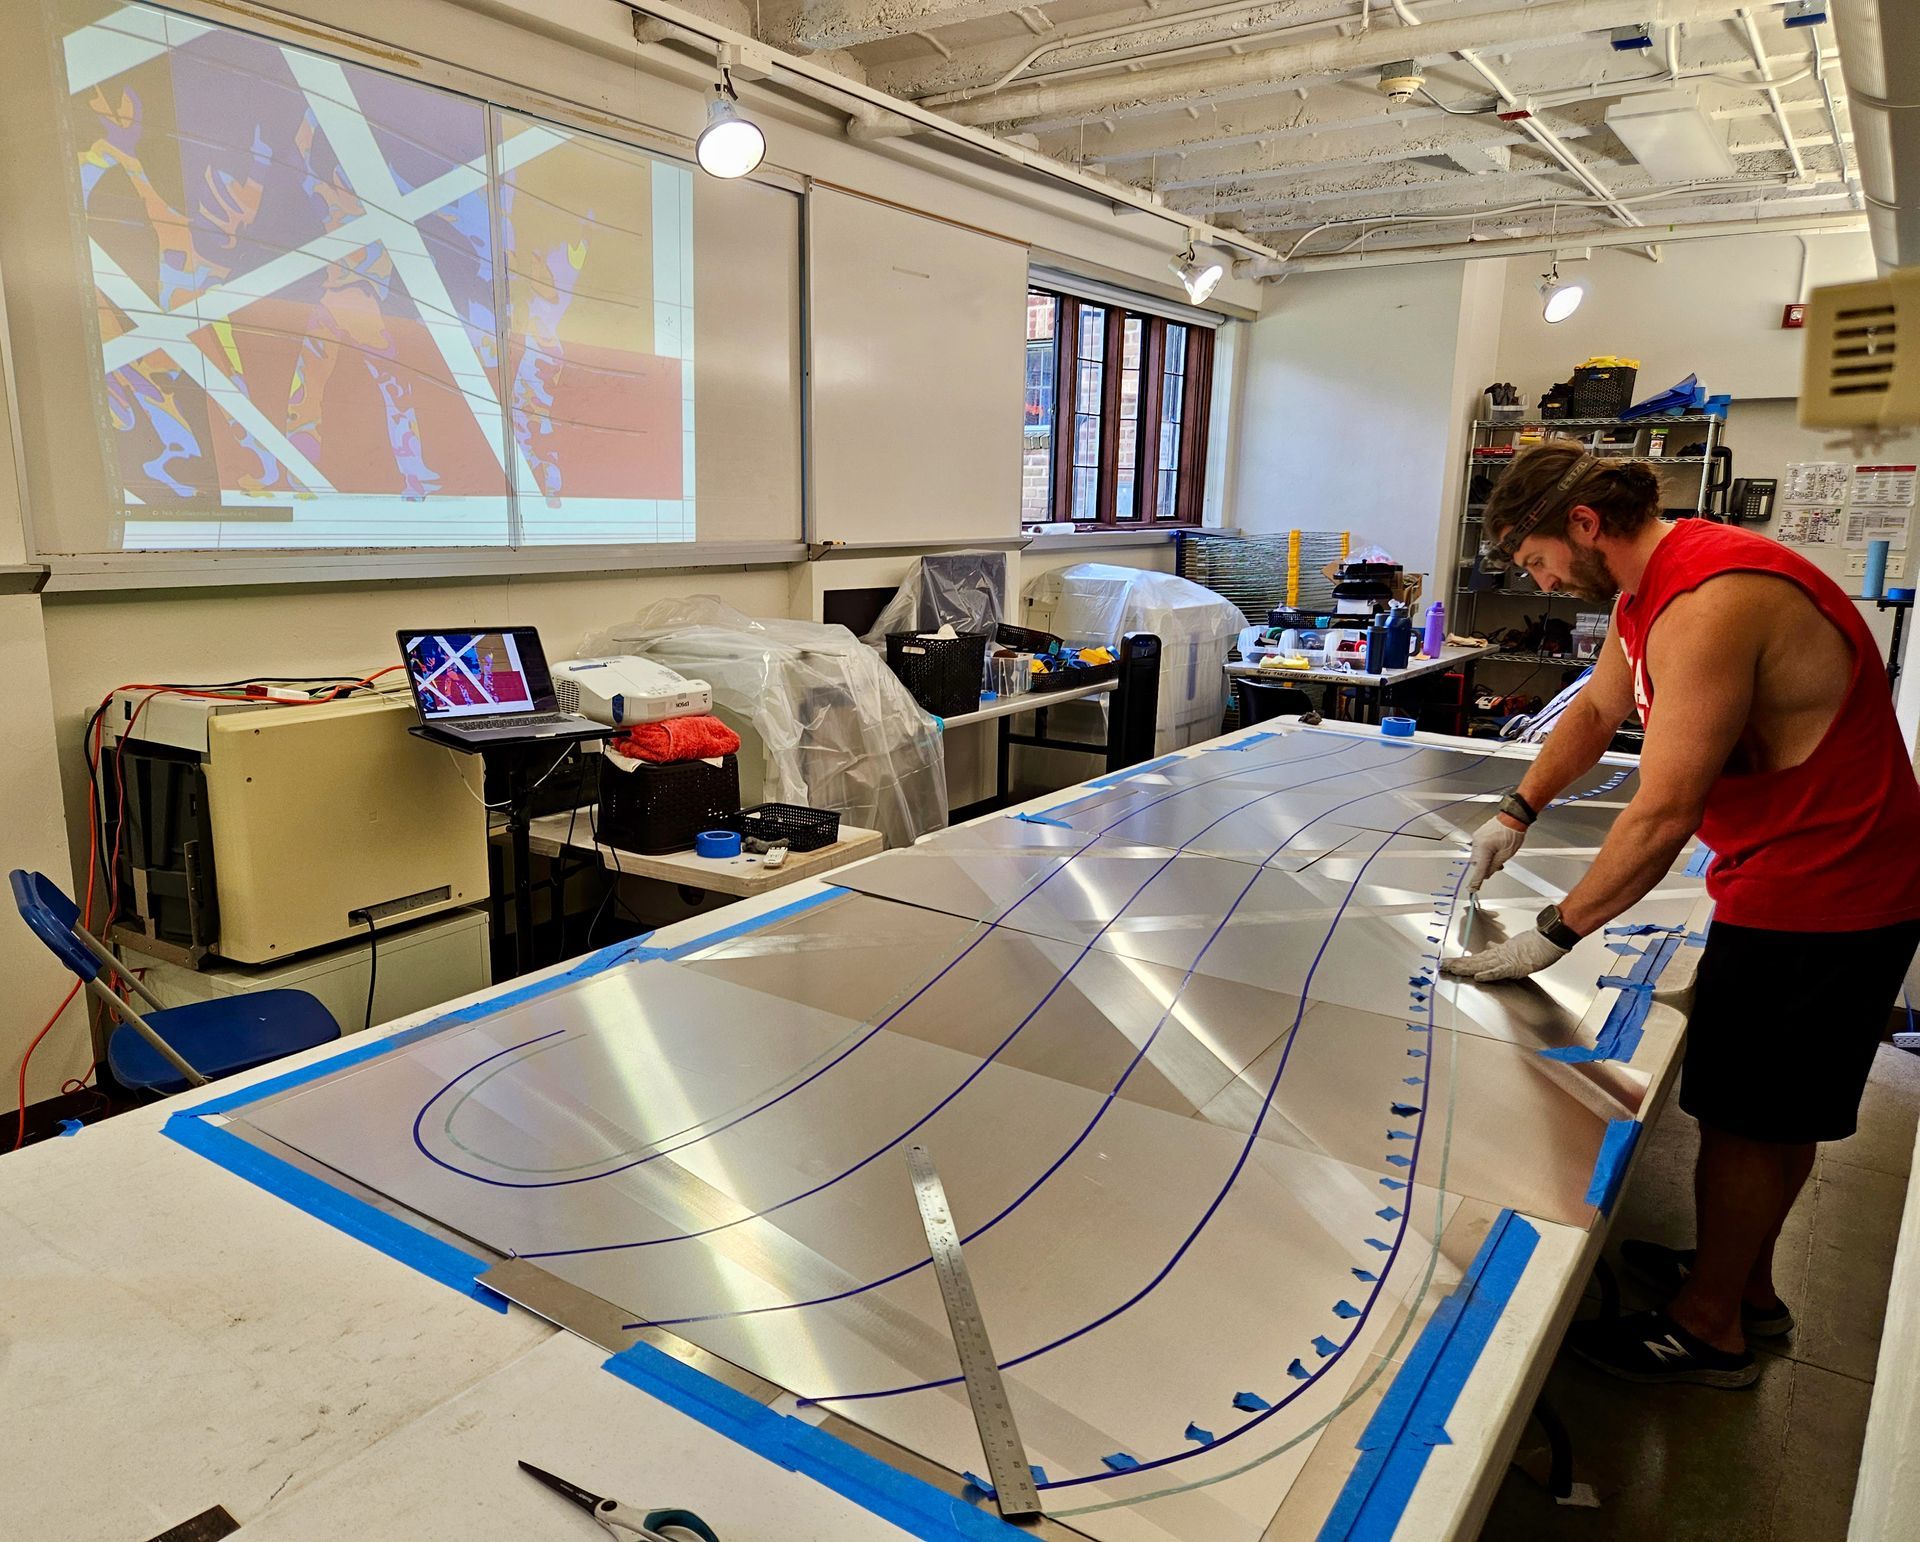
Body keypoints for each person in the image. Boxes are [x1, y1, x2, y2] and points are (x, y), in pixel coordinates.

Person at [1442, 441, 1920, 1389]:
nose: (1538, 580)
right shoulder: (1646, 593)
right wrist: (1516, 809)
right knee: (1771, 1113)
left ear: (1584, 526)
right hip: (1805, 873)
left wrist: (1554, 933)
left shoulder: (1712, 601)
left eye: (1536, 560)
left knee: (1748, 1121)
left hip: (1827, 890)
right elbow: (1592, 713)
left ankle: (1708, 1330)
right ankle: (1742, 1283)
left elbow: (1665, 810)